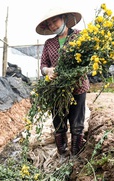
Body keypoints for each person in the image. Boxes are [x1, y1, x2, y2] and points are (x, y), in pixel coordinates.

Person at [35, 8, 90, 156]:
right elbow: (43, 65)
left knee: (77, 122)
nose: (52, 26)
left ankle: (75, 155)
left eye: (55, 21)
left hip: (78, 86)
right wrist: (48, 71)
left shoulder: (80, 36)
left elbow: (88, 59)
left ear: (64, 18)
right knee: (58, 121)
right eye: (49, 24)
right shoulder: (49, 43)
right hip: (57, 88)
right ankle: (62, 154)